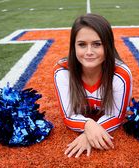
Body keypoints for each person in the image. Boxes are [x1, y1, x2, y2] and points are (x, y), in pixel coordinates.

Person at [53, 13, 132, 158]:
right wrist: (88, 125)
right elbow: (68, 115)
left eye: (97, 44)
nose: (89, 52)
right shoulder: (62, 71)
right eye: (82, 44)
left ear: (108, 46)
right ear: (73, 46)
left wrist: (87, 135)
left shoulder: (120, 75)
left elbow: (117, 116)